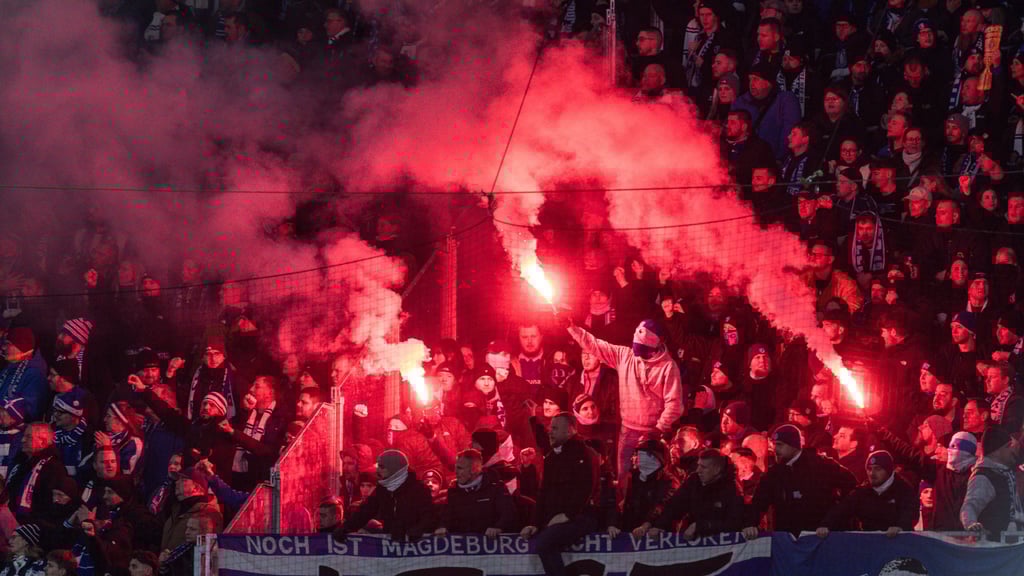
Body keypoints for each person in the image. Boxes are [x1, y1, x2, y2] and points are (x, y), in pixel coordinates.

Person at [564, 316, 681, 482]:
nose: (638, 354)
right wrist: (571, 327)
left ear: (656, 345)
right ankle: (623, 505)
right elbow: (595, 345)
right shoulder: (625, 355)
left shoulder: (668, 367)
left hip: (653, 432)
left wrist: (658, 429)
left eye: (642, 350)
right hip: (627, 430)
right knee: (623, 478)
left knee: (649, 479)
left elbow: (674, 403)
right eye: (636, 348)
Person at [743, 424, 857, 538]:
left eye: (780, 445)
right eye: (774, 445)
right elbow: (759, 502)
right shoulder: (774, 474)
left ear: (794, 445)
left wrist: (833, 519)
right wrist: (750, 524)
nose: (775, 450)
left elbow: (852, 487)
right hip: (788, 540)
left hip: (819, 538)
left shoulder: (821, 465)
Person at [519, 413, 596, 576]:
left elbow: (587, 488)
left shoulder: (584, 453)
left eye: (554, 428)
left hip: (580, 517)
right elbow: (543, 493)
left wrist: (568, 515)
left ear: (569, 431)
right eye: (549, 428)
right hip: (556, 518)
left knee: (544, 544)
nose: (550, 432)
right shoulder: (552, 457)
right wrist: (535, 524)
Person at [634, 448, 744, 540]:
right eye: (698, 465)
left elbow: (735, 522)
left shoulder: (732, 489)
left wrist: (701, 526)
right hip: (692, 539)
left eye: (704, 467)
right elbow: (674, 506)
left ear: (717, 469)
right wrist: (658, 526)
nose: (698, 470)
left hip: (719, 544)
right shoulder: (694, 481)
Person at [334, 450, 438, 542]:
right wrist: (346, 528)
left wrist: (415, 531)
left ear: (395, 469)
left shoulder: (419, 490)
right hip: (391, 547)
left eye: (382, 467)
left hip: (415, 549)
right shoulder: (383, 489)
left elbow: (429, 517)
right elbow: (366, 510)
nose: (378, 471)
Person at [818, 450, 918, 537]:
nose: (872, 473)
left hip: (897, 543)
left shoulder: (903, 489)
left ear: (889, 470)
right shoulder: (863, 491)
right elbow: (842, 509)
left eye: (877, 469)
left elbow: (910, 513)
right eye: (869, 469)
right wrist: (825, 525)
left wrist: (900, 527)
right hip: (870, 544)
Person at [435, 449, 516, 537]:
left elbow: (508, 514)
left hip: (490, 546)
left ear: (474, 469)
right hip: (463, 547)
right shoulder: (453, 491)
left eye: (460, 468)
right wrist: (442, 527)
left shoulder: (496, 488)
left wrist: (499, 527)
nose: (456, 472)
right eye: (455, 467)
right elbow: (446, 517)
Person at [962, 427, 1024, 538]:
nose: (1015, 455)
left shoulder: (1005, 473)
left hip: (1010, 544)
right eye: (1011, 450)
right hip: (993, 547)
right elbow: (970, 505)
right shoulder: (983, 477)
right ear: (1003, 448)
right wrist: (971, 523)